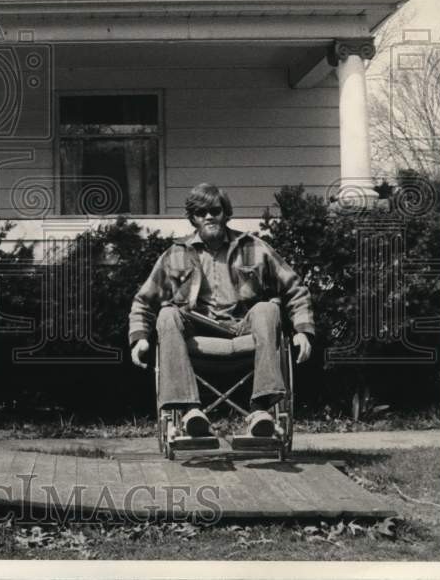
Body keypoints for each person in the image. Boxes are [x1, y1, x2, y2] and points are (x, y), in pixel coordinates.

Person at [127, 183, 314, 439]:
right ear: (193, 218)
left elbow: (295, 287)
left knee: (267, 309)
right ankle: (191, 412)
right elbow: (144, 300)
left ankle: (261, 412)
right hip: (197, 325)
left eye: (215, 210)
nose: (209, 217)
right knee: (167, 313)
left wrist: (302, 330)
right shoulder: (176, 254)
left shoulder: (253, 247)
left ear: (225, 213)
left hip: (243, 325)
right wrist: (139, 338)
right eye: (201, 212)